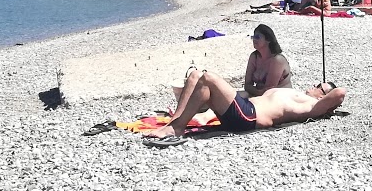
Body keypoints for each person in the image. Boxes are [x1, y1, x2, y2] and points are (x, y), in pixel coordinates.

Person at [142, 69, 344, 138]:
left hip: (249, 117)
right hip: (243, 110)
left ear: (322, 97)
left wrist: (328, 101)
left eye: (320, 86)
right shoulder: (296, 94)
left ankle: (177, 128)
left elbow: (340, 93)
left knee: (209, 78)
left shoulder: (310, 105)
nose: (314, 85)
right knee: (195, 75)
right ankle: (174, 123)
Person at [243, 23, 293, 96]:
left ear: (268, 40)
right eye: (253, 37)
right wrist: (257, 92)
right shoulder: (254, 57)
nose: (254, 39)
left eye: (257, 37)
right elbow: (247, 85)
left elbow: (269, 90)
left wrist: (255, 91)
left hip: (281, 97)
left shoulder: (277, 60)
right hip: (261, 95)